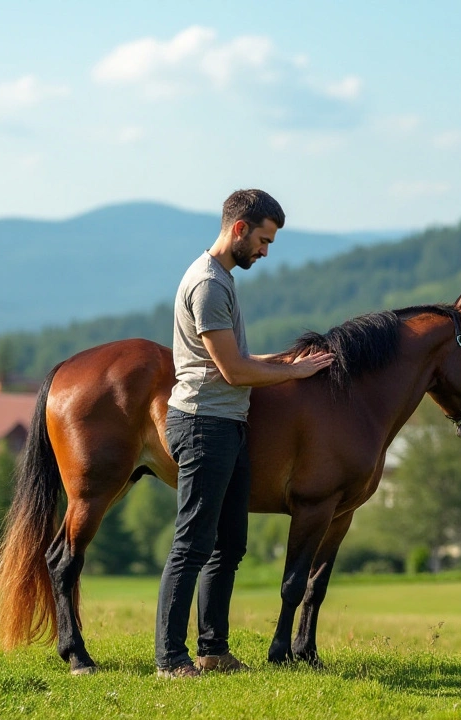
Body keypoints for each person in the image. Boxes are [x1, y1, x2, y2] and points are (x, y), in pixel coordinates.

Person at [155, 189, 335, 678]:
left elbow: (237, 361)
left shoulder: (223, 280)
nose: (265, 250)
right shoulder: (208, 285)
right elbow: (232, 372)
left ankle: (212, 649)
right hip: (201, 423)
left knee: (228, 545)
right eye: (262, 239)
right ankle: (170, 660)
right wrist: (294, 376)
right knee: (192, 543)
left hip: (228, 425)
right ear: (238, 229)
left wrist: (286, 359)